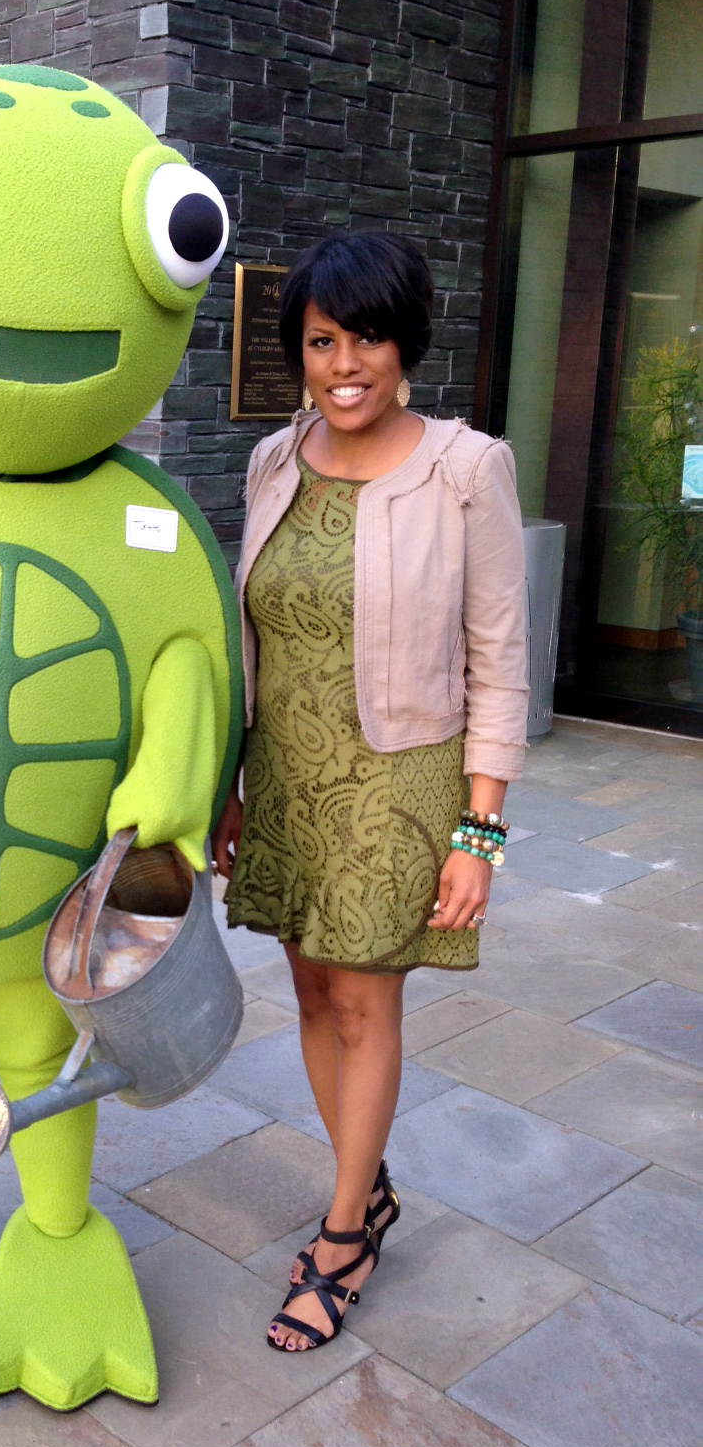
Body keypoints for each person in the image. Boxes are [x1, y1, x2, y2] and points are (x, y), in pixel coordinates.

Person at [213, 230, 528, 1353]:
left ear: (407, 346)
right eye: (322, 341)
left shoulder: (465, 468)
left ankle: (342, 1233)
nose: (346, 363)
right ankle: (369, 1176)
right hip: (287, 778)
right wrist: (230, 786)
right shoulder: (274, 460)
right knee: (307, 999)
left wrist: (477, 832)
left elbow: (499, 657)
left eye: (369, 338)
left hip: (399, 782)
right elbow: (246, 641)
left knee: (364, 1002)